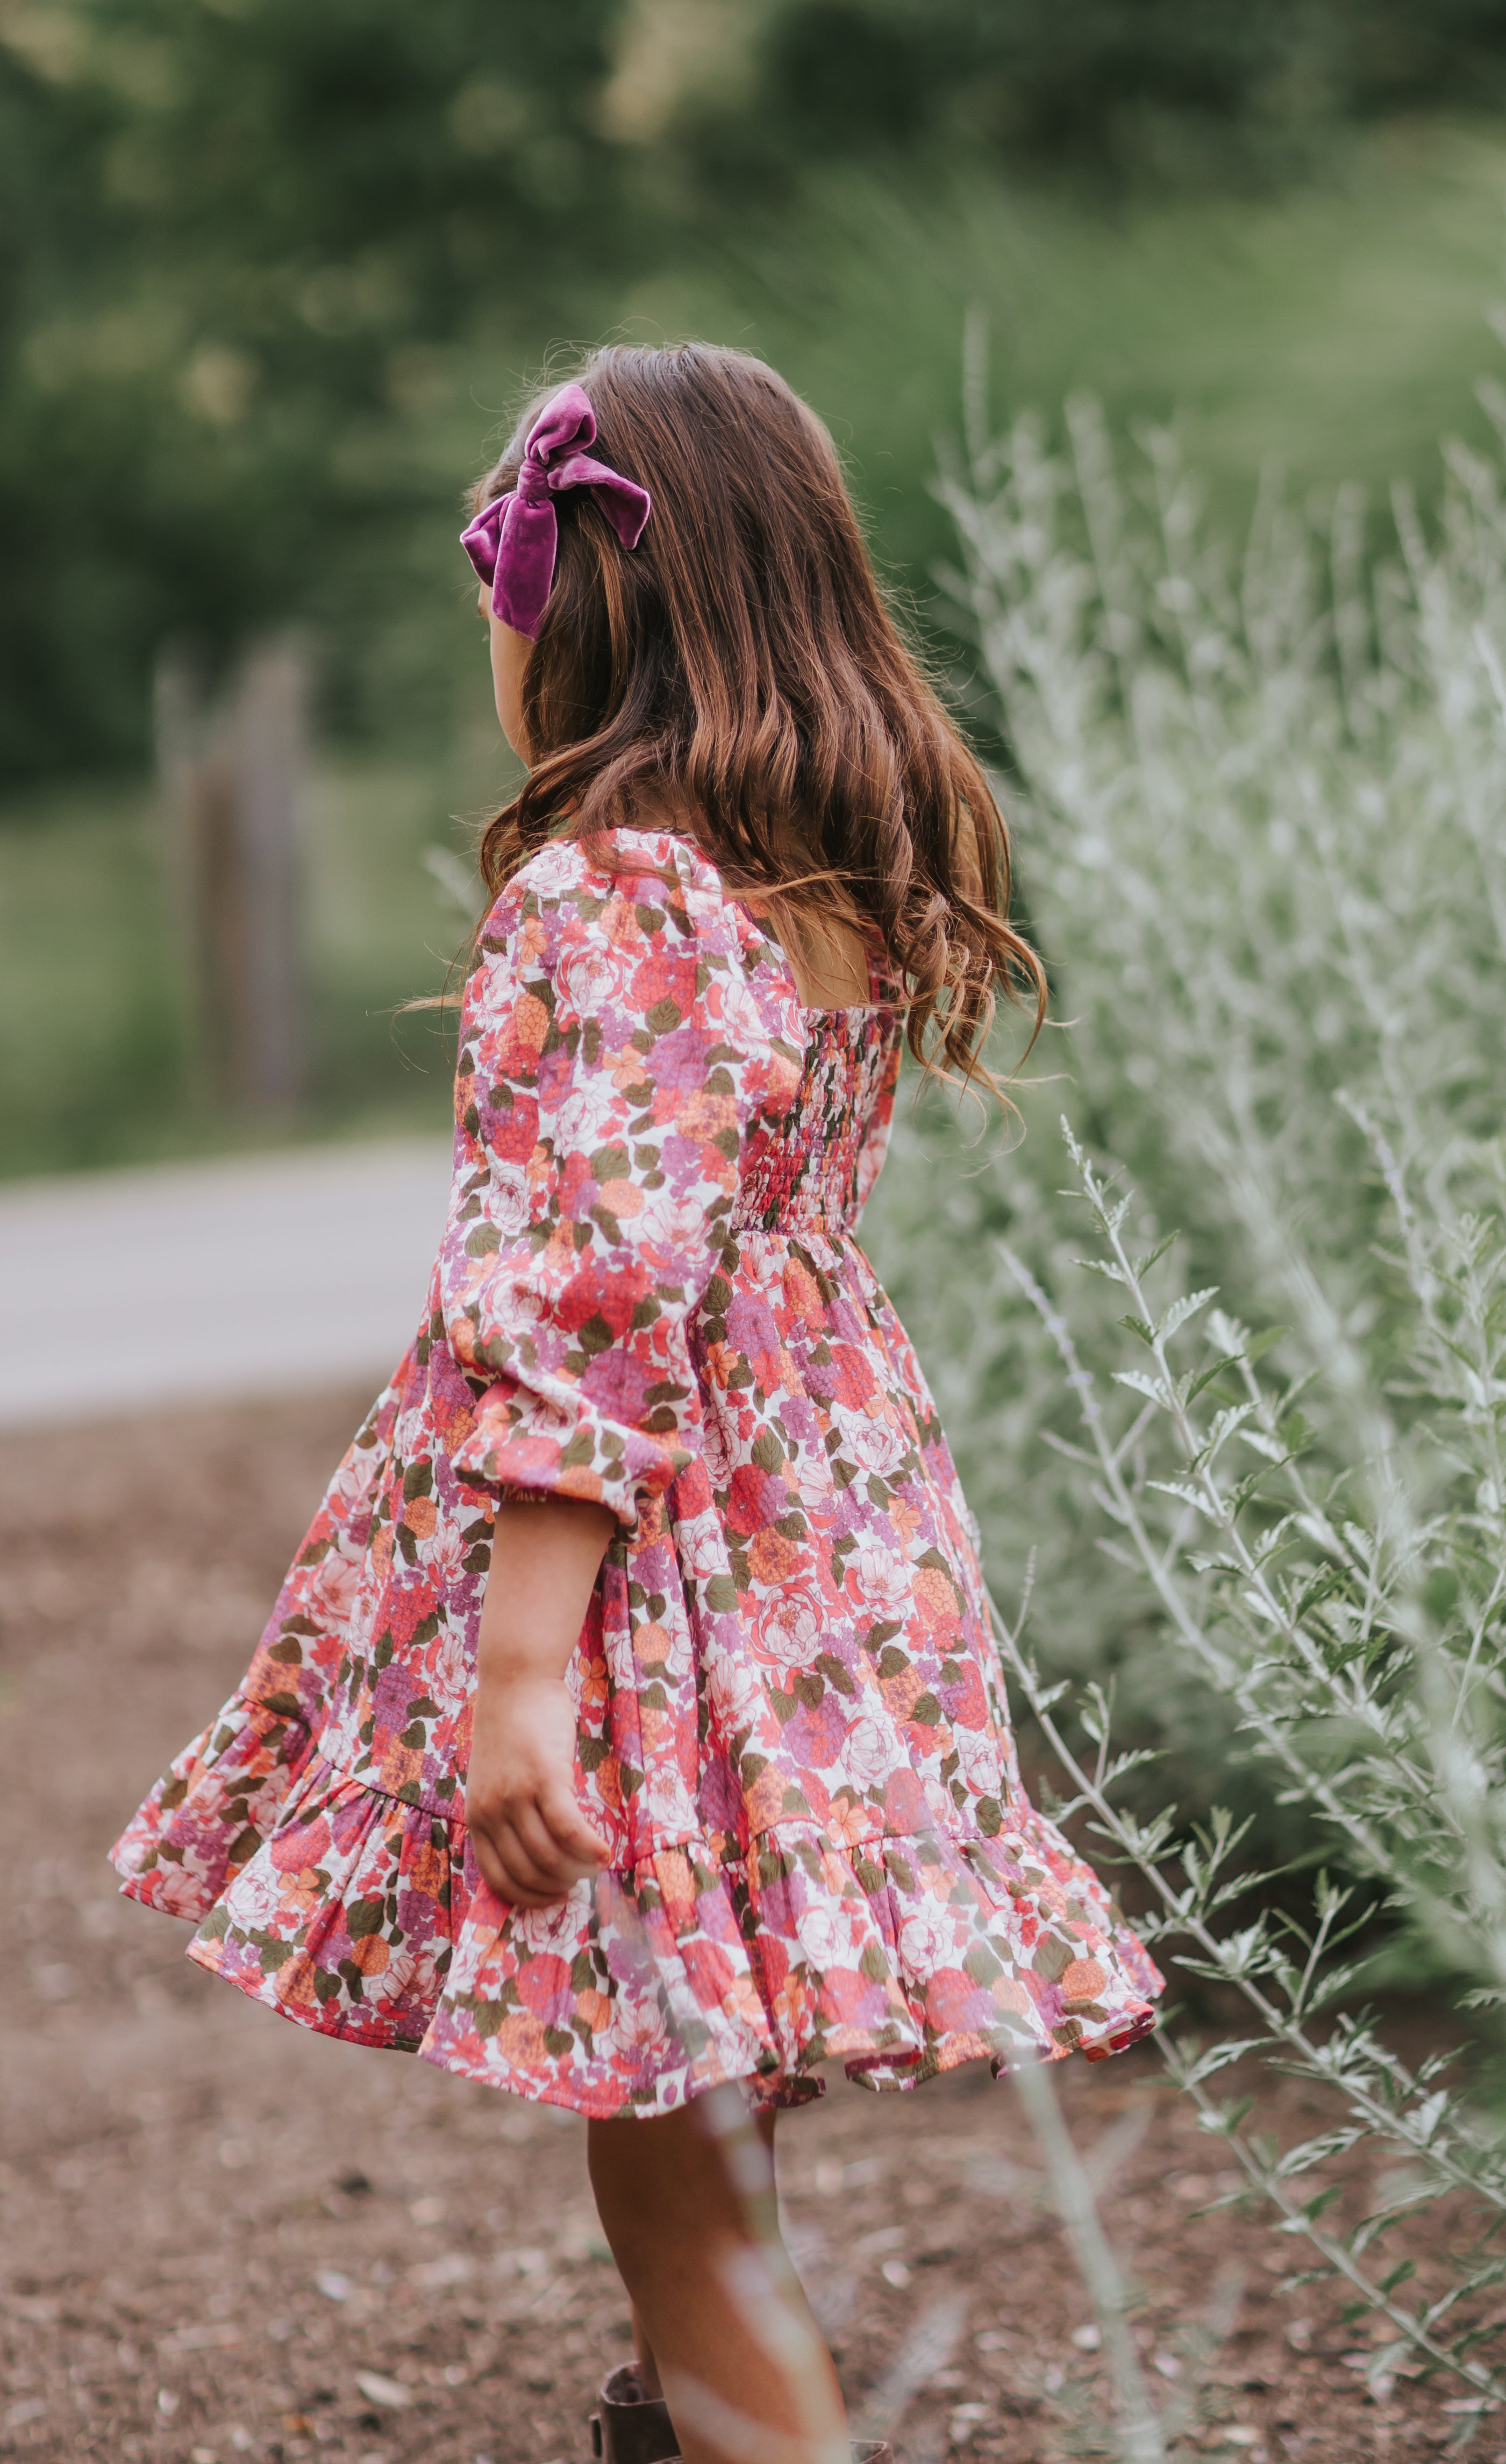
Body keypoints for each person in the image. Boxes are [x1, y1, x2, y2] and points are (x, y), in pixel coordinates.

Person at [112, 345, 1161, 2464]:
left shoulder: (614, 893)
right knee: (714, 2082)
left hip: (652, 1563)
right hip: (824, 1529)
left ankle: (746, 2432)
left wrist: (522, 1670)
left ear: (569, 622)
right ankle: (681, 2426)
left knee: (672, 2161)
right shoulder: (846, 884)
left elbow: (592, 1296)